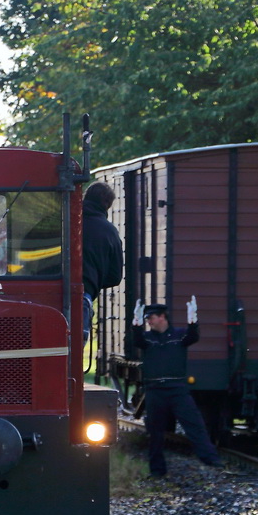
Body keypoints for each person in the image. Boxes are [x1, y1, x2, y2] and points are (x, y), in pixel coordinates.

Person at [132, 297, 223, 476]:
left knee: (194, 424)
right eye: (147, 318)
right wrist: (136, 324)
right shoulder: (147, 338)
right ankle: (157, 470)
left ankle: (211, 459)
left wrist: (193, 321)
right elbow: (136, 340)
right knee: (155, 432)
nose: (149, 321)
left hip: (177, 389)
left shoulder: (179, 335)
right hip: (155, 389)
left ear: (162, 317)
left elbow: (193, 337)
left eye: (151, 318)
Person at [81, 182, 123, 341]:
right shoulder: (109, 231)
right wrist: (94, 278)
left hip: (43, 294)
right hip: (83, 294)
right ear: (107, 204)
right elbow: (115, 277)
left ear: (85, 197)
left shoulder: (60, 221)